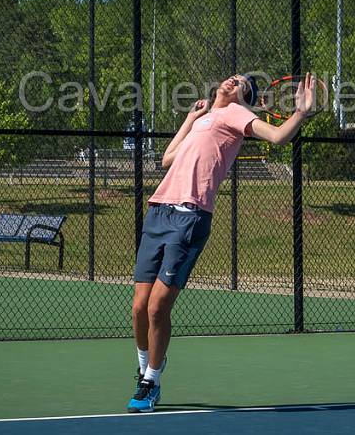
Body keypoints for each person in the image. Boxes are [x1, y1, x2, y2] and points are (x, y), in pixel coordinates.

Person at [127, 73, 316, 413]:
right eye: (232, 77)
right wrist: (190, 118)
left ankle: (150, 381)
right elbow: (168, 158)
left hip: (190, 218)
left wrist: (300, 113)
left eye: (240, 84)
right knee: (139, 307)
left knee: (158, 308)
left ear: (245, 98)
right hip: (158, 212)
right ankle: (146, 366)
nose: (233, 81)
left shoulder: (237, 115)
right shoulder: (208, 117)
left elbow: (276, 137)